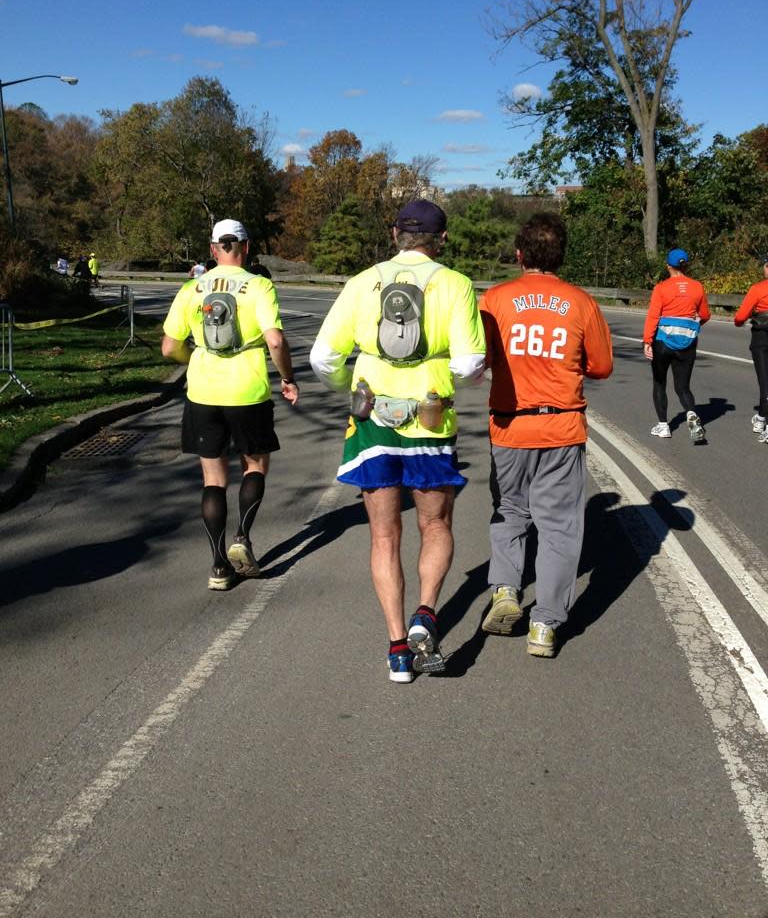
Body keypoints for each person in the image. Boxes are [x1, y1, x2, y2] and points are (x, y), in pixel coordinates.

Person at [310, 199, 486, 684]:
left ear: (394, 235)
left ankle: (396, 651)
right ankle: (425, 615)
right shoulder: (455, 285)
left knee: (384, 535)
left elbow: (323, 357)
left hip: (371, 421)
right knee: (435, 524)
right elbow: (470, 366)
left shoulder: (361, 283)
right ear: (442, 239)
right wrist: (447, 374)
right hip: (431, 419)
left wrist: (348, 380)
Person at [479, 212, 613, 658]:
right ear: (562, 255)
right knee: (558, 526)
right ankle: (545, 625)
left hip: (509, 426)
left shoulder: (494, 300)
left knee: (510, 511)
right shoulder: (580, 303)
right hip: (560, 427)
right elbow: (601, 366)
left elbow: (480, 360)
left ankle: (504, 590)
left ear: (519, 255)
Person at [161, 218, 300, 590]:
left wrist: (194, 360)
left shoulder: (191, 287)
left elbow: (169, 347)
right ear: (246, 247)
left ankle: (219, 566)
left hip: (202, 391)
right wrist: (288, 378)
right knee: (255, 465)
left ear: (212, 250)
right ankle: (242, 536)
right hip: (248, 390)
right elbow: (274, 341)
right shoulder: (259, 286)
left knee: (213, 479)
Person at [642, 248, 710, 442]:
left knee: (659, 383)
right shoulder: (697, 287)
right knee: (683, 387)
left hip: (663, 341)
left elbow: (653, 316)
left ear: (668, 266)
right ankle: (690, 414)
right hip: (687, 342)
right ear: (685, 265)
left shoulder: (661, 288)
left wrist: (647, 341)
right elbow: (704, 315)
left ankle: (663, 426)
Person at [734, 252, 768, 443]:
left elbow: (740, 317)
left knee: (765, 382)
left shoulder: (758, 289)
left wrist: (741, 321)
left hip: (762, 338)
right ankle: (761, 418)